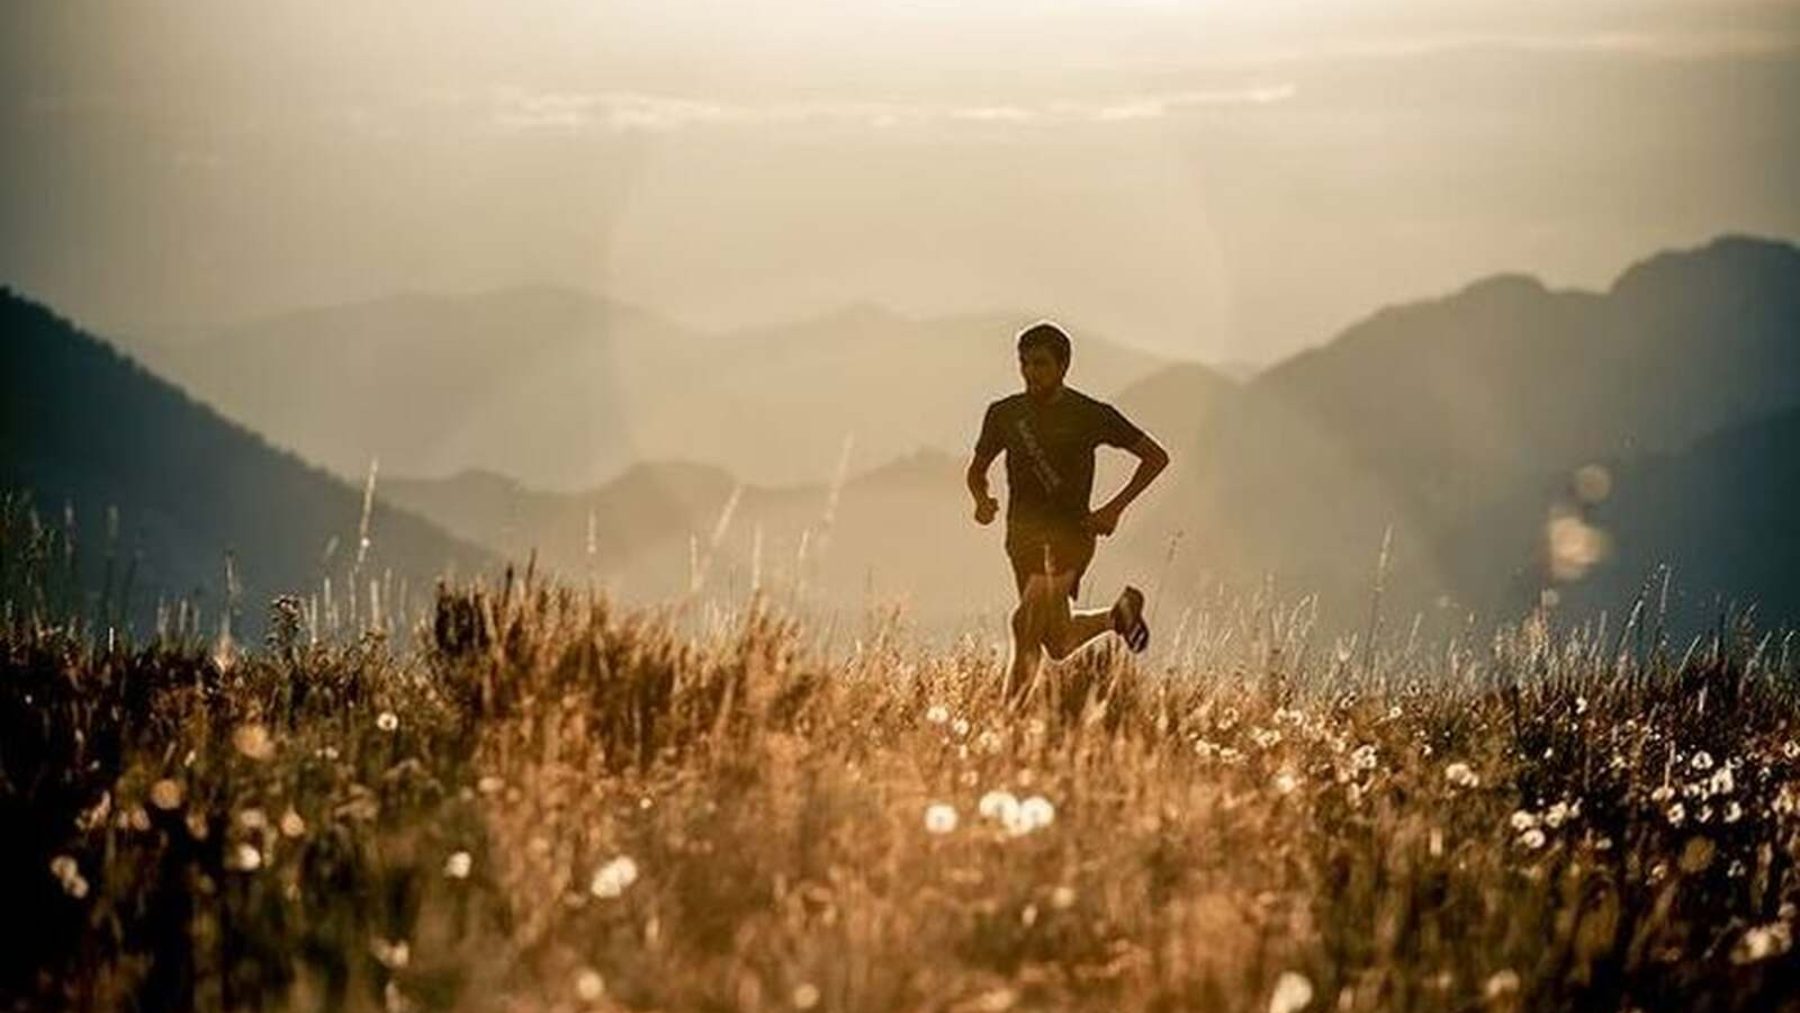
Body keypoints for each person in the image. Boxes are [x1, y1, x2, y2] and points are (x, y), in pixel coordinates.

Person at [967, 321, 1170, 702]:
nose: (1031, 372)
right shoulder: (1003, 414)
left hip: (1070, 536)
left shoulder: (1091, 414)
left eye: (1041, 363)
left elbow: (1155, 458)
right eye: (1024, 363)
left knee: (1024, 623)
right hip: (1020, 538)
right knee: (1056, 642)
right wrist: (981, 500)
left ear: (1063, 366)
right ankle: (1118, 616)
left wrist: (1114, 509)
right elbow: (976, 472)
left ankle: (1007, 725)